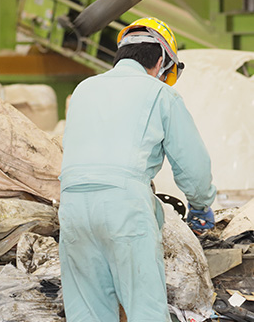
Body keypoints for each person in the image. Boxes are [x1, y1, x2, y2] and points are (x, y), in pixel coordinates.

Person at [58, 17, 216, 321]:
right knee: (145, 311)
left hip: (73, 208)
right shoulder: (160, 94)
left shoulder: (83, 89)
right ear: (160, 61)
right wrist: (200, 205)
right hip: (124, 211)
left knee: (87, 313)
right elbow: (192, 164)